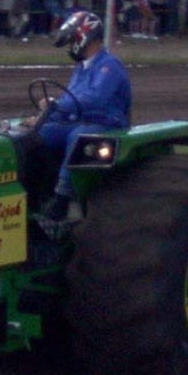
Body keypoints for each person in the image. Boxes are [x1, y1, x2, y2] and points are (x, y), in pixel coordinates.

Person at [29, 11, 132, 220]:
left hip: (106, 123)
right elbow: (71, 101)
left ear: (84, 38)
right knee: (39, 134)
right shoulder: (81, 68)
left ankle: (62, 199)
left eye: (71, 42)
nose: (70, 47)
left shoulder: (110, 66)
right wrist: (43, 118)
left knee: (78, 137)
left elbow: (94, 99)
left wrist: (56, 105)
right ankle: (37, 190)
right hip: (79, 121)